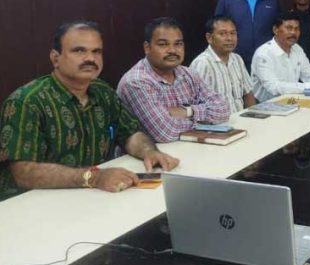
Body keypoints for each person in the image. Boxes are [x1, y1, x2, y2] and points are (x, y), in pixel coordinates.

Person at [0, 21, 179, 201]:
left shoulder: (103, 92)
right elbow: (24, 173)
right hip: (28, 205)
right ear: (55, 58)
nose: (90, 58)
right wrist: (93, 177)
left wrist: (149, 152)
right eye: (79, 51)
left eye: (96, 51)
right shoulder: (27, 102)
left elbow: (130, 133)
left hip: (93, 198)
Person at [117, 17, 230, 143]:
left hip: (191, 148)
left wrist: (187, 111)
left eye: (178, 44)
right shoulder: (136, 82)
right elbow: (165, 132)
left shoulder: (188, 74)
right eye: (163, 44)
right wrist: (204, 121)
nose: (172, 50)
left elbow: (223, 109)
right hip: (150, 153)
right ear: (147, 48)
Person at [250, 11, 310, 102]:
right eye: (289, 28)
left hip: (290, 101)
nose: (293, 32)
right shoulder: (263, 54)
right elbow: (273, 87)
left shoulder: (297, 49)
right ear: (275, 30)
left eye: (297, 29)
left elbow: (309, 74)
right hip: (264, 104)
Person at [214, 0, 282, 71]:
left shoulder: (273, 0)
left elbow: (280, 30)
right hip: (234, 61)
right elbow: (217, 32)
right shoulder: (227, 1)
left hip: (268, 61)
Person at [189, 16, 255, 113]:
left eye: (233, 33)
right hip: (216, 121)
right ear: (209, 38)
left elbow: (248, 93)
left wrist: (253, 116)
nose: (229, 38)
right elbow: (195, 104)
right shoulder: (203, 63)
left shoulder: (237, 59)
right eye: (222, 34)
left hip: (240, 118)